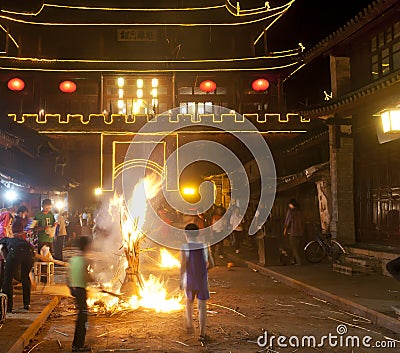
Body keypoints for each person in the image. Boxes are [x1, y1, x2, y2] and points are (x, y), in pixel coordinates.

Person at [180, 223, 211, 345]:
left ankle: (189, 325)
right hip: (202, 281)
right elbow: (212, 263)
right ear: (198, 233)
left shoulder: (184, 247)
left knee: (188, 302)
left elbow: (183, 265)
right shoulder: (205, 246)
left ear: (186, 234)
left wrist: (180, 280)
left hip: (189, 281)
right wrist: (203, 270)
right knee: (202, 307)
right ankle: (202, 334)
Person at [68, 236, 92, 352]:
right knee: (83, 318)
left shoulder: (73, 259)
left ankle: (77, 345)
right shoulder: (84, 260)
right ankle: (78, 346)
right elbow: (86, 276)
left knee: (81, 317)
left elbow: (67, 277)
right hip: (81, 291)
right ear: (86, 246)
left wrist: (71, 289)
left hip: (75, 290)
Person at [0, 236, 35, 312]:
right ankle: (27, 304)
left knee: (7, 279)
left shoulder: (2, 242)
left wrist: (7, 262)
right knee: (25, 277)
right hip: (30, 252)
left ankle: (8, 307)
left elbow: (2, 249)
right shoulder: (14, 240)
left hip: (15, 252)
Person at [283, 199, 304, 266]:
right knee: (297, 247)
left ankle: (298, 261)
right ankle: (293, 260)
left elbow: (287, 221)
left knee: (293, 247)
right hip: (300, 232)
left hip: (293, 231)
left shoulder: (290, 211)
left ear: (291, 204)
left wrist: (285, 230)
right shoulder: (300, 211)